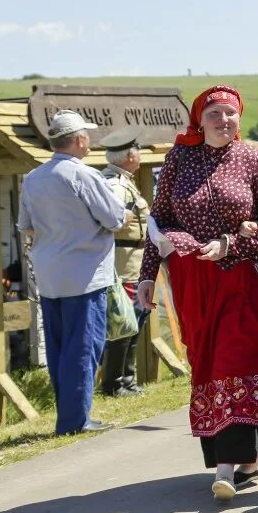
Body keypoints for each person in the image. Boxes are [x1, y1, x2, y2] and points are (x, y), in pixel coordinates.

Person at [137, 87, 258, 501]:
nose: (224, 120)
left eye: (230, 113)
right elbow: (159, 221)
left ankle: (226, 467)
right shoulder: (179, 159)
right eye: (214, 113)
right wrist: (148, 275)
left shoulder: (254, 159)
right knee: (207, 365)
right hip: (195, 286)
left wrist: (231, 244)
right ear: (199, 119)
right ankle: (247, 457)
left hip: (243, 280)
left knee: (234, 361)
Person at [19, 110, 128, 435]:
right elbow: (114, 218)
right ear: (79, 140)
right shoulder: (84, 176)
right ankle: (75, 419)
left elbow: (26, 226)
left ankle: (68, 414)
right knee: (84, 345)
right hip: (85, 272)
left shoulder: (33, 177)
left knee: (59, 347)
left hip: (50, 273)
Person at [99, 129, 150, 397]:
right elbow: (111, 223)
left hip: (132, 262)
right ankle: (116, 383)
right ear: (130, 155)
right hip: (124, 265)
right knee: (124, 324)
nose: (139, 155)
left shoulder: (122, 181)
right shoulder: (115, 185)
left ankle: (126, 380)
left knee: (134, 321)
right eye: (138, 151)